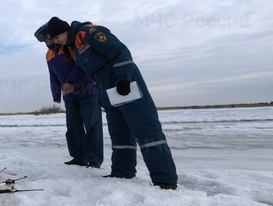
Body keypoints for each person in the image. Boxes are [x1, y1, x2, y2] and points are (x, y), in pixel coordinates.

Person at [46, 17, 178, 190]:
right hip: (105, 87)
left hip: (123, 82)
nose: (56, 42)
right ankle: (123, 171)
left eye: (57, 37)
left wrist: (124, 78)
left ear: (64, 30)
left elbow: (119, 51)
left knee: (144, 127)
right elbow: (81, 69)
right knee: (119, 129)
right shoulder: (74, 48)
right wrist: (70, 84)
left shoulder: (87, 33)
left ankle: (164, 179)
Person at [35, 23, 103, 168]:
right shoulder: (49, 55)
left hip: (87, 92)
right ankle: (79, 157)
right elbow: (53, 75)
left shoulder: (69, 46)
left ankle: (94, 159)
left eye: (47, 40)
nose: (46, 44)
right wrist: (56, 94)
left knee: (92, 125)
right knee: (73, 128)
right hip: (69, 97)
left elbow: (83, 67)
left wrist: (73, 84)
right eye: (44, 42)